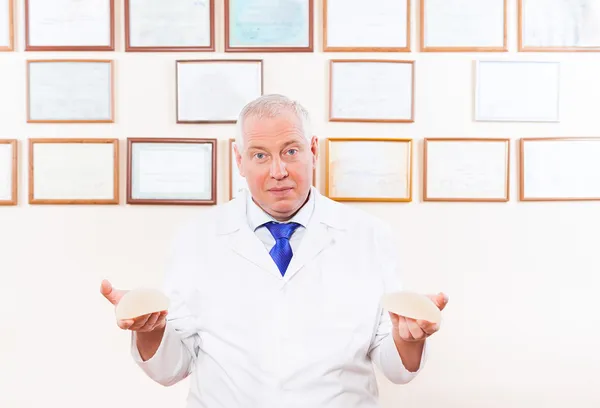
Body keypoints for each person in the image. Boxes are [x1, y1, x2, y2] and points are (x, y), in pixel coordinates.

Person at [101, 94, 448, 408]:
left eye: (290, 151)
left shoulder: (370, 235)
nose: (278, 171)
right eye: (260, 156)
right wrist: (149, 329)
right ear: (239, 160)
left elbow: (396, 368)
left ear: (313, 150)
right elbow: (170, 369)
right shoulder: (197, 237)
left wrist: (409, 337)